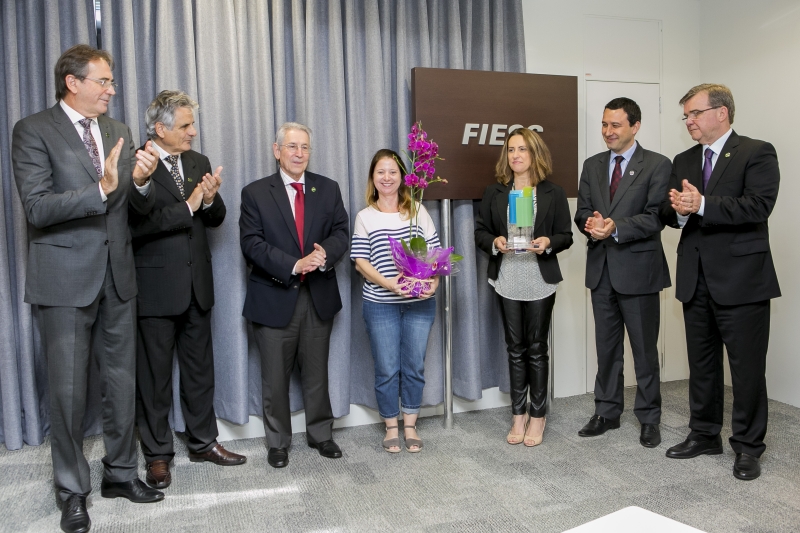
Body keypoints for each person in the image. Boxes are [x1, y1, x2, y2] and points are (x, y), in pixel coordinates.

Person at [11, 44, 164, 533]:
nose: (112, 90)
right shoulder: (33, 131)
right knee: (69, 391)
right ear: (73, 82)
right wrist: (99, 189)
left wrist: (139, 182)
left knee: (122, 384)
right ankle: (71, 489)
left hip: (118, 275)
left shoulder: (118, 131)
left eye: (112, 81)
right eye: (104, 81)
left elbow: (133, 208)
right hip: (63, 279)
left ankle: (121, 473)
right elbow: (36, 207)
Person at [659, 84, 780, 480]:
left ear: (722, 112)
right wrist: (678, 211)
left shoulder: (756, 152)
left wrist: (703, 204)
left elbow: (758, 205)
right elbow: (668, 209)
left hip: (742, 280)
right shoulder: (684, 159)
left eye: (695, 113)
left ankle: (747, 447)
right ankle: (704, 434)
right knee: (703, 365)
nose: (689, 121)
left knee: (746, 370)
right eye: (686, 116)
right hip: (696, 278)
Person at [130, 91, 246, 490]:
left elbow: (215, 218)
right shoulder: (138, 164)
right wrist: (191, 205)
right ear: (160, 129)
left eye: (192, 125)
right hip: (156, 289)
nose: (193, 133)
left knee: (200, 372)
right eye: (185, 126)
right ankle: (158, 455)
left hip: (198, 287)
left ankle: (203, 443)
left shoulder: (196, 162)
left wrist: (210, 200)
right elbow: (135, 226)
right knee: (155, 378)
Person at [239, 122, 349, 468]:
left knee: (317, 373)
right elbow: (251, 244)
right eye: (291, 147)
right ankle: (278, 443)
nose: (299, 153)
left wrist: (323, 255)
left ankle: (321, 435)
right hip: (274, 296)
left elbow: (341, 232)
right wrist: (294, 264)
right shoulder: (255, 193)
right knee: (274, 377)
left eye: (304, 147)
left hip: (318, 296)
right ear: (277, 151)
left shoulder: (327, 189)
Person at [574, 98, 672, 447]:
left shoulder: (658, 165)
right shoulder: (592, 165)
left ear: (635, 126)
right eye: (604, 124)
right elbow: (582, 210)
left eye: (615, 125)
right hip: (601, 271)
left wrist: (615, 227)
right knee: (607, 348)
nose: (608, 132)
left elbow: (656, 216)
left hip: (639, 270)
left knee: (645, 351)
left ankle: (649, 418)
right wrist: (590, 224)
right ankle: (607, 412)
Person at [475, 128, 573, 447]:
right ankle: (518, 414)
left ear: (535, 154)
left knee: (536, 349)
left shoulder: (552, 192)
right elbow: (480, 232)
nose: (516, 155)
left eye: (523, 149)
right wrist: (495, 242)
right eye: (511, 149)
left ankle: (538, 415)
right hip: (507, 278)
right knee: (515, 349)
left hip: (539, 279)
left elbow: (565, 235)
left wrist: (548, 243)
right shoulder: (494, 191)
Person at [351, 149, 440, 453]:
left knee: (414, 365)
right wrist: (392, 283)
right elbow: (360, 262)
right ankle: (391, 427)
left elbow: (436, 257)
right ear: (372, 178)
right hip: (380, 303)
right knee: (387, 367)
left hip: (419, 303)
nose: (387, 178)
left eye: (393, 172)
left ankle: (411, 425)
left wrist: (433, 283)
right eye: (380, 172)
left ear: (403, 177)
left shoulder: (418, 212)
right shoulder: (365, 217)